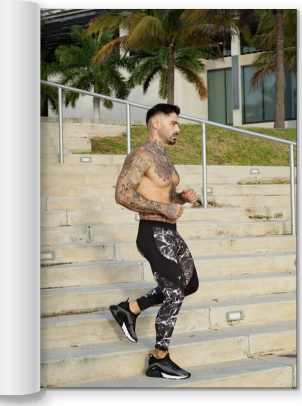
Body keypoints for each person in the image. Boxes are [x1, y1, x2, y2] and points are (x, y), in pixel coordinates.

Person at [111, 103, 199, 380]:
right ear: (156, 124)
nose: (178, 128)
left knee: (189, 284)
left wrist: (180, 199)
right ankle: (159, 359)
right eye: (173, 123)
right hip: (151, 232)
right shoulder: (140, 155)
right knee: (174, 292)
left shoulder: (167, 160)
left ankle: (130, 309)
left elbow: (165, 198)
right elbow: (122, 194)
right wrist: (164, 208)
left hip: (170, 232)